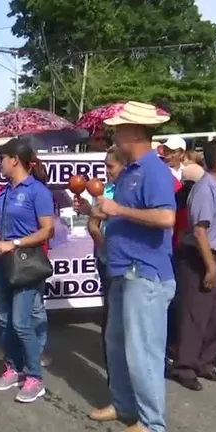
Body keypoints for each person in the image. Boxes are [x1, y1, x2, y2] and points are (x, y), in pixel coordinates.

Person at [78, 101, 177, 432]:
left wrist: (116, 208)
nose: (115, 134)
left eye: (119, 129)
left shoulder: (154, 170)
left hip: (145, 273)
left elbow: (166, 218)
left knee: (142, 350)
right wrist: (105, 213)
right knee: (116, 343)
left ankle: (151, 422)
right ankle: (122, 404)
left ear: (135, 131)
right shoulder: (132, 171)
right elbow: (129, 214)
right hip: (123, 270)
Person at [0, 139, 54, 403]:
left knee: (22, 322)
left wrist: (15, 243)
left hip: (26, 263)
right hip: (4, 264)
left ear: (14, 161)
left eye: (2, 158)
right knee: (5, 321)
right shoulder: (4, 191)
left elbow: (47, 230)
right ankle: (13, 369)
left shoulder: (38, 191)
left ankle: (35, 377)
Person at [170, 141, 216, 391]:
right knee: (196, 314)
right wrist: (211, 267)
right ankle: (185, 366)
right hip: (202, 257)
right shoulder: (204, 189)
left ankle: (205, 362)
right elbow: (200, 231)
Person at [87, 147, 125, 372]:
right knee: (110, 313)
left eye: (110, 166)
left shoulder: (130, 191)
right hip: (108, 261)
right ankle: (112, 362)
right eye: (105, 165)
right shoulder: (105, 190)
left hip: (128, 261)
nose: (107, 171)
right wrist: (105, 246)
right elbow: (93, 225)